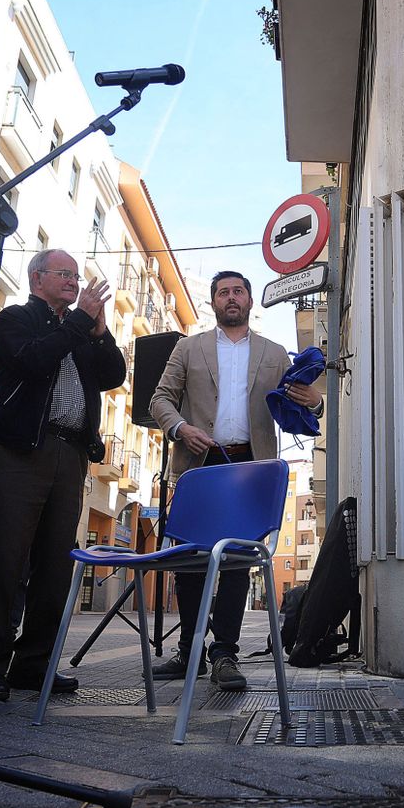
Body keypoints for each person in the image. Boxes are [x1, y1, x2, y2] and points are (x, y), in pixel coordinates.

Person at [0, 250, 125, 701]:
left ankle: (33, 666)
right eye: (65, 274)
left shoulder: (82, 329)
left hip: (71, 455)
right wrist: (78, 325)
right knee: (4, 561)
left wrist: (100, 331)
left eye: (77, 276)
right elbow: (32, 360)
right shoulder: (17, 317)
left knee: (55, 566)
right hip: (21, 453)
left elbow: (114, 375)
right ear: (38, 278)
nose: (74, 282)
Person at [148, 271, 322, 692]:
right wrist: (180, 429)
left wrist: (313, 401)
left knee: (237, 563)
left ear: (248, 302)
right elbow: (159, 399)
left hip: (250, 467)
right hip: (198, 465)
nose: (231, 297)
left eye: (238, 291)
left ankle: (224, 653)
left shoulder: (274, 352)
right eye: (223, 292)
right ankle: (189, 650)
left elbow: (304, 400)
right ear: (213, 303)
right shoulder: (188, 348)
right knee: (190, 562)